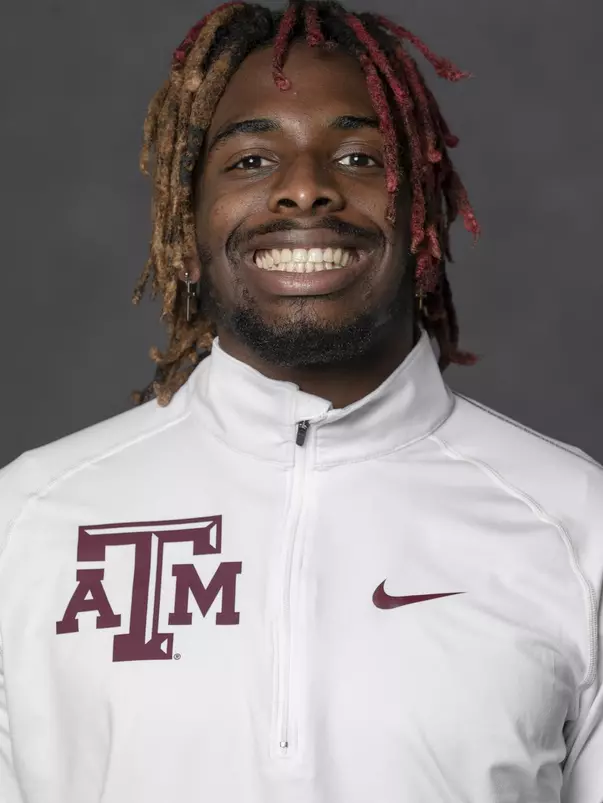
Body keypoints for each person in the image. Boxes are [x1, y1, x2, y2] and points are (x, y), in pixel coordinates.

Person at [0, 1, 601, 801]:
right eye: (251, 161)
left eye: (358, 156)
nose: (306, 190)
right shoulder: (30, 518)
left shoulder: (575, 521)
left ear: (420, 203)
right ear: (187, 213)